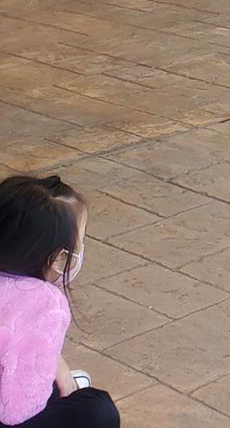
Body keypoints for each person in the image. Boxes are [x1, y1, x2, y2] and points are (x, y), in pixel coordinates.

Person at [0, 174, 121, 427]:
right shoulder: (45, 303)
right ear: (58, 259)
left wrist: (53, 360)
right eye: (81, 241)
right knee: (97, 409)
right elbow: (17, 409)